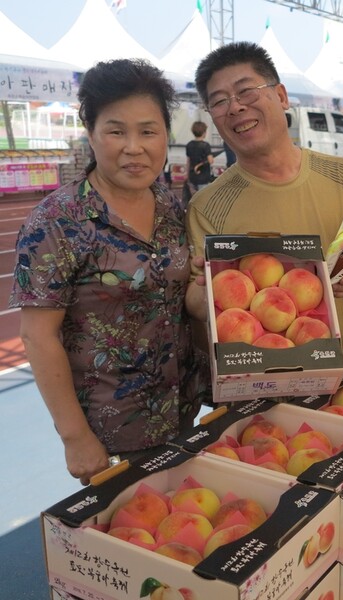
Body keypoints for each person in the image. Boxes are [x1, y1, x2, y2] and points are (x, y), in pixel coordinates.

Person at [9, 59, 210, 486]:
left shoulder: (171, 207)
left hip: (183, 410)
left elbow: (182, 304)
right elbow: (37, 336)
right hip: (113, 434)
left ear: (165, 135)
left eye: (148, 131)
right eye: (116, 131)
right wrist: (75, 437)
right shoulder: (57, 221)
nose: (134, 147)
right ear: (91, 132)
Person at [185, 41, 343, 370]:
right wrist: (210, 293)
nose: (235, 107)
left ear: (281, 95)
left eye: (247, 91)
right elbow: (196, 304)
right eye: (219, 102)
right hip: (263, 385)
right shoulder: (207, 206)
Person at [183, 120, 214, 203]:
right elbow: (210, 161)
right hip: (203, 177)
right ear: (204, 132)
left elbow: (188, 161)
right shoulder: (206, 145)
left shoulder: (189, 144)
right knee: (203, 200)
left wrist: (186, 174)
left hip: (192, 176)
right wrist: (201, 164)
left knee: (193, 199)